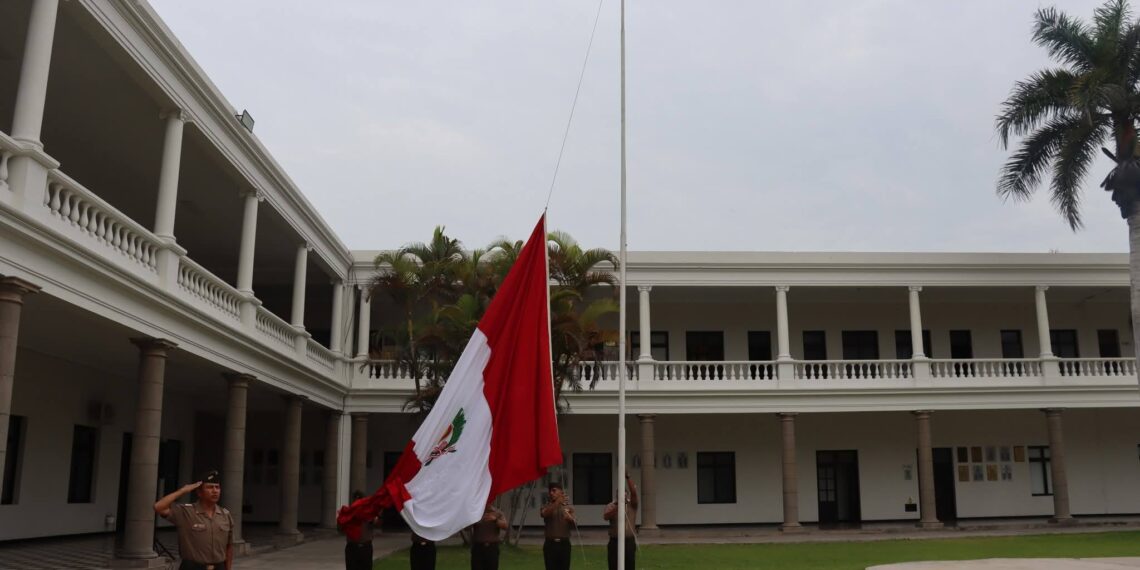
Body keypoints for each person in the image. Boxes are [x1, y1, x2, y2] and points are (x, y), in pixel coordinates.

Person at [153, 470, 234, 570]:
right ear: (199, 492)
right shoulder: (186, 512)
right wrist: (182, 491)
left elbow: (229, 547)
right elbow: (158, 507)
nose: (215, 491)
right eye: (210, 487)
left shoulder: (225, 515)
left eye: (217, 487)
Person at [604, 474, 638, 570]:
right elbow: (606, 516)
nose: (622, 495)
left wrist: (628, 477)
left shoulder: (632, 505)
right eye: (619, 493)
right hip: (615, 541)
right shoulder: (611, 505)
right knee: (613, 565)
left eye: (624, 493)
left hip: (629, 541)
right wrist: (618, 506)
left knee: (629, 565)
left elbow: (634, 493)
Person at [540, 481, 576, 570]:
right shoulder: (546, 505)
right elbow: (544, 514)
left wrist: (571, 520)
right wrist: (557, 503)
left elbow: (575, 525)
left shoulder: (568, 507)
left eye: (554, 490)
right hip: (550, 544)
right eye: (550, 491)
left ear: (561, 492)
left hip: (564, 543)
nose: (551, 493)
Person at [342, 491, 380, 570]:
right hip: (352, 547)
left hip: (365, 547)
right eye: (356, 500)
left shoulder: (369, 513)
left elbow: (376, 523)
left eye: (359, 500)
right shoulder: (349, 513)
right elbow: (341, 528)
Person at [469, 503, 508, 570]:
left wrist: (495, 520)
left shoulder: (497, 513)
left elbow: (505, 526)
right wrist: (474, 520)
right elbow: (466, 528)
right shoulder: (476, 512)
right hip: (478, 548)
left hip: (492, 548)